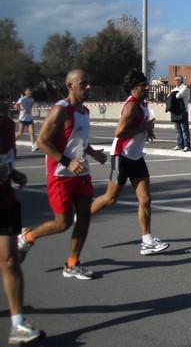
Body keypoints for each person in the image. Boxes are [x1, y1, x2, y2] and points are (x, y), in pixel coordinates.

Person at [18, 69, 107, 281]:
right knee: (63, 223)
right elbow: (42, 141)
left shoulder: (84, 111)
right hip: (60, 174)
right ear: (70, 86)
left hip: (81, 172)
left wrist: (94, 153)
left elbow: (79, 141)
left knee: (85, 216)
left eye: (88, 83)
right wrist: (67, 162)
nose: (88, 87)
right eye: (83, 84)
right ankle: (28, 237)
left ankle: (72, 263)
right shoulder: (61, 110)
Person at [91, 69, 169, 255]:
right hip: (122, 156)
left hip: (136, 157)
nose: (147, 87)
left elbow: (139, 126)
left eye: (146, 83)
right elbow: (119, 132)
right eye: (143, 84)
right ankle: (82, 215)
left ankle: (147, 241)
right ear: (134, 88)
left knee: (146, 199)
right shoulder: (131, 106)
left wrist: (147, 131)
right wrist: (144, 127)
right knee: (111, 199)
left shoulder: (142, 104)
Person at [0, 89, 44, 344]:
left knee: (9, 261)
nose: (7, 104)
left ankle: (18, 324)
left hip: (5, 202)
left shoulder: (7, 126)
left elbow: (6, 161)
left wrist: (14, 175)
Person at [169, 75, 191, 152]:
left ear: (180, 80)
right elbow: (169, 96)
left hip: (183, 111)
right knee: (178, 130)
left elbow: (179, 95)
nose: (175, 81)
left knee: (184, 130)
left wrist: (173, 95)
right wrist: (172, 95)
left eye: (176, 80)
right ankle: (179, 144)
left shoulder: (184, 88)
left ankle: (187, 145)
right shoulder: (175, 89)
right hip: (175, 112)